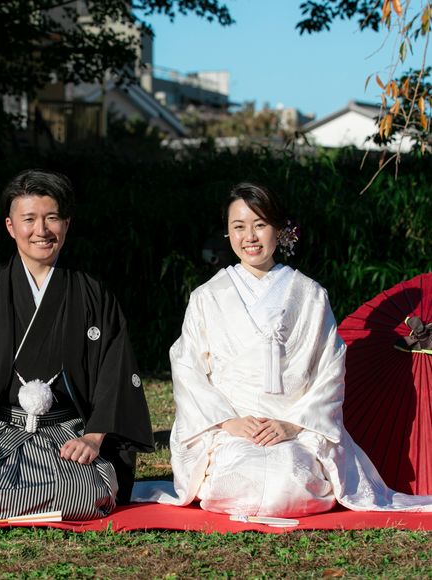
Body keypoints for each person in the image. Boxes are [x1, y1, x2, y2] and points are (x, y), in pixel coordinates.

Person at [164, 182, 432, 516]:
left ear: (279, 229)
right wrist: (228, 422)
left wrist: (292, 424)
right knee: (243, 480)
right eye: (239, 227)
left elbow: (330, 369)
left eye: (260, 224)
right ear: (228, 233)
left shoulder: (310, 294)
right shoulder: (207, 296)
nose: (250, 237)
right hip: (231, 428)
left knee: (288, 480)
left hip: (295, 427)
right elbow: (187, 367)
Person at [0, 169, 154, 520]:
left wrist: (93, 438)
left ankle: (36, 500)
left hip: (66, 435)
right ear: (11, 227)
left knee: (86, 492)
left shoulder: (92, 294)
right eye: (29, 219)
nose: (41, 230)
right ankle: (44, 502)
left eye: (51, 218)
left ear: (66, 224)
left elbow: (115, 372)